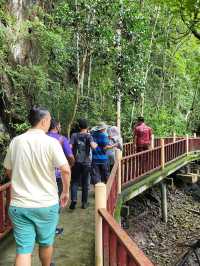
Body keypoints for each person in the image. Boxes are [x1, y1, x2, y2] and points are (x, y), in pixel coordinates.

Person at [4, 106, 71, 266]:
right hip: (46, 204)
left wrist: (20, 182)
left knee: (23, 249)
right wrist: (65, 192)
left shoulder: (16, 141)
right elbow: (65, 170)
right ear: (44, 121)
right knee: (46, 243)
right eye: (49, 120)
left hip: (19, 205)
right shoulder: (51, 142)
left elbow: (8, 170)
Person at [69, 119, 97, 210]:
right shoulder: (89, 136)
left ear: (79, 127)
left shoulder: (74, 135)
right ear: (87, 127)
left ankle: (74, 199)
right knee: (85, 183)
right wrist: (95, 144)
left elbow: (69, 147)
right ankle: (84, 203)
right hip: (86, 163)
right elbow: (93, 147)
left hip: (76, 162)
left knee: (74, 181)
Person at [48, 118, 75, 197]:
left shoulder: (41, 137)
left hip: (43, 174)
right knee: (58, 198)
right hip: (58, 174)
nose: (60, 127)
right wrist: (71, 164)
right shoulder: (62, 139)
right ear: (56, 127)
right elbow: (70, 156)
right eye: (60, 126)